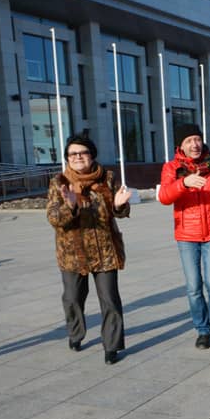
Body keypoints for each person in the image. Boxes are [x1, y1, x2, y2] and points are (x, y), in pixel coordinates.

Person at [46, 134, 131, 364]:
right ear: (67, 158)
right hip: (73, 253)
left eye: (82, 152)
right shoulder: (59, 182)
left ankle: (111, 346)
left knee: (110, 299)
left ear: (91, 155)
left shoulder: (108, 178)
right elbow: (53, 218)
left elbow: (117, 211)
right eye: (72, 154)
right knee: (73, 298)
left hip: (105, 250)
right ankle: (76, 333)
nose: (77, 157)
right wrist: (70, 206)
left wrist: (119, 205)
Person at [159, 124, 210, 350]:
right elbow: (164, 197)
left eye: (197, 139)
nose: (194, 144)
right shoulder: (171, 168)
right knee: (194, 286)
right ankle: (202, 331)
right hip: (186, 234)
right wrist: (183, 183)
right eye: (189, 141)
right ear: (181, 146)